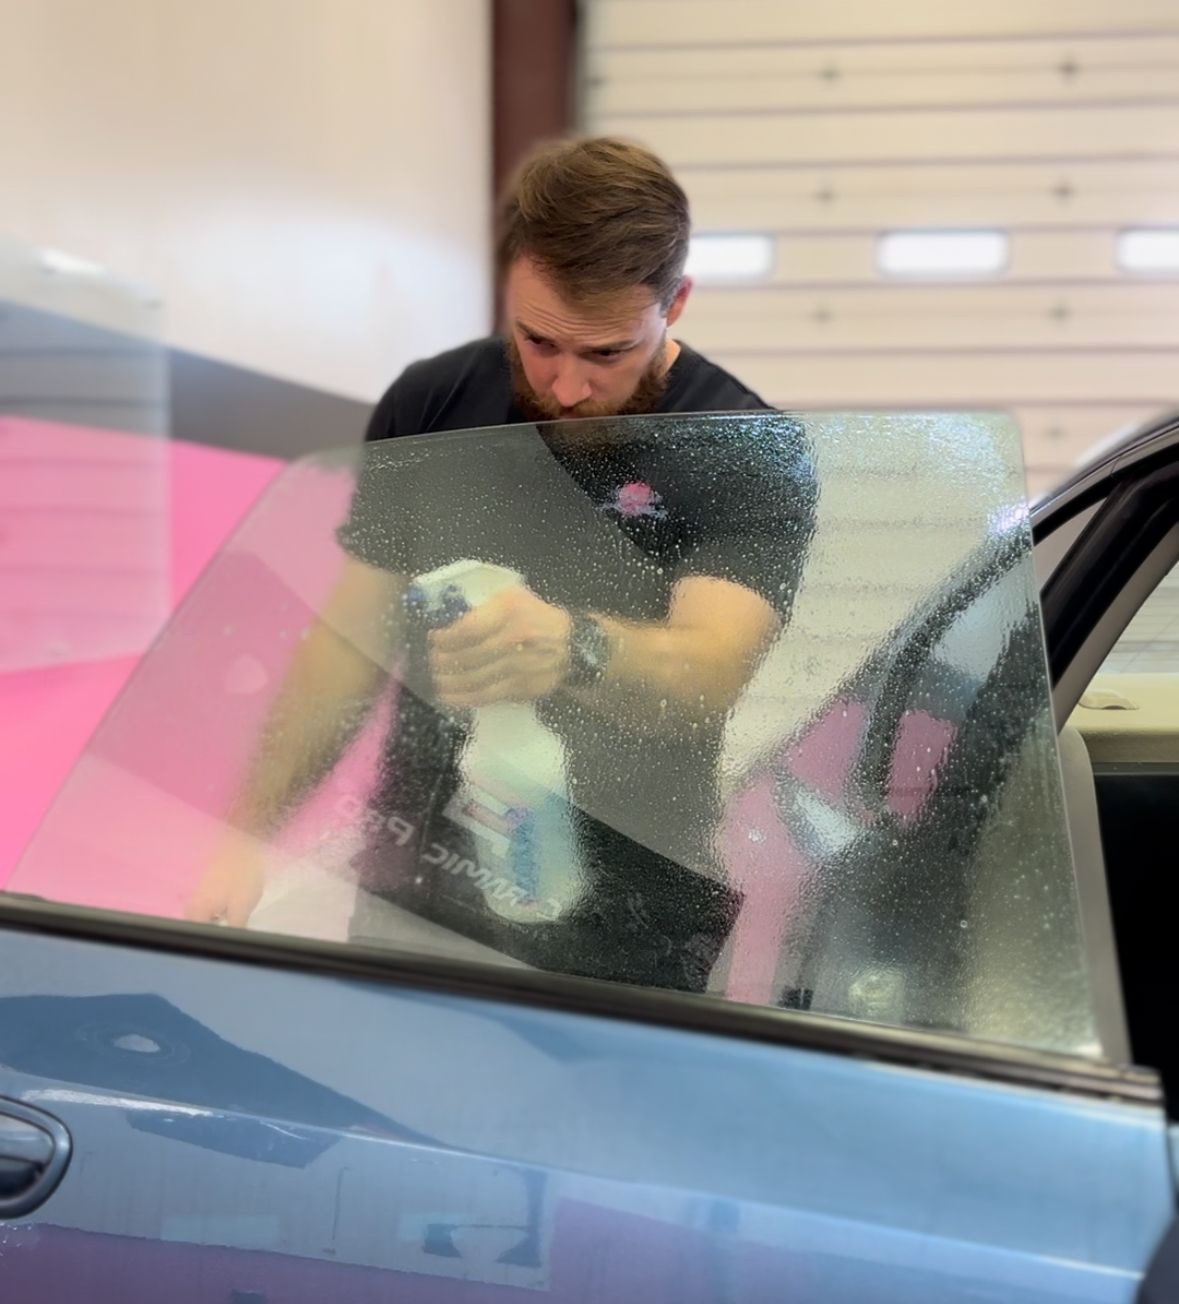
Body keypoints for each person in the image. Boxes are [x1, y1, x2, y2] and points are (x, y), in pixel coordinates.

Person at [186, 136, 815, 991]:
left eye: (606, 353)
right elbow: (347, 645)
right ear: (507, 288)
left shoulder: (745, 449)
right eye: (538, 341)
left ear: (677, 304)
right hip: (415, 885)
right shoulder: (433, 402)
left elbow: (708, 668)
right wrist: (244, 833)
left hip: (632, 910)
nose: (563, 387)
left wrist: (570, 646)